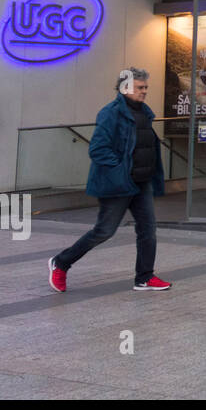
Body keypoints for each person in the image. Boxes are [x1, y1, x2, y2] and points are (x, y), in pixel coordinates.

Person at [48, 68, 171, 293]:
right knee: (104, 231)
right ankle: (61, 262)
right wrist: (120, 170)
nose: (144, 92)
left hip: (141, 183)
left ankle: (144, 277)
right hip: (118, 184)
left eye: (146, 88)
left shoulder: (145, 112)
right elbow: (98, 149)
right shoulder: (111, 113)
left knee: (148, 230)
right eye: (140, 88)